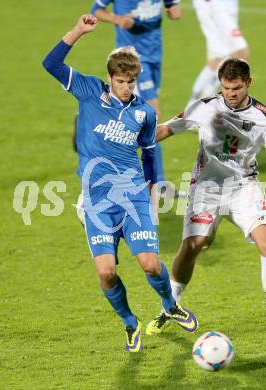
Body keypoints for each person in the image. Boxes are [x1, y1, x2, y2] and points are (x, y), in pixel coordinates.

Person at [42, 14, 197, 352]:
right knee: (107, 273)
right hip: (97, 202)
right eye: (122, 81)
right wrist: (79, 31)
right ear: (110, 78)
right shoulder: (89, 91)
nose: (127, 88)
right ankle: (130, 323)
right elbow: (50, 63)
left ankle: (170, 306)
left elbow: (149, 150)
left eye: (132, 82)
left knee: (151, 264)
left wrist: (155, 185)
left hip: (133, 198)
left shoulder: (144, 112)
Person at [146, 58, 266, 336]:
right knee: (193, 244)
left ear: (249, 83)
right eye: (226, 88)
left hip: (243, 188)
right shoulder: (206, 108)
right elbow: (167, 127)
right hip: (206, 188)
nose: (231, 94)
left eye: (236, 88)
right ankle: (169, 308)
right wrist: (136, 143)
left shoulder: (265, 117)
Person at [90, 0, 182, 191]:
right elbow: (96, 10)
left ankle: (154, 181)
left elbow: (173, 8)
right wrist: (117, 19)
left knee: (145, 122)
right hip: (133, 60)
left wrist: (173, 10)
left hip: (155, 54)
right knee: (153, 115)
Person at [187, 0, 249, 107]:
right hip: (216, 8)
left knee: (219, 58)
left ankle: (199, 101)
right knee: (240, 53)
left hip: (226, 8)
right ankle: (201, 98)